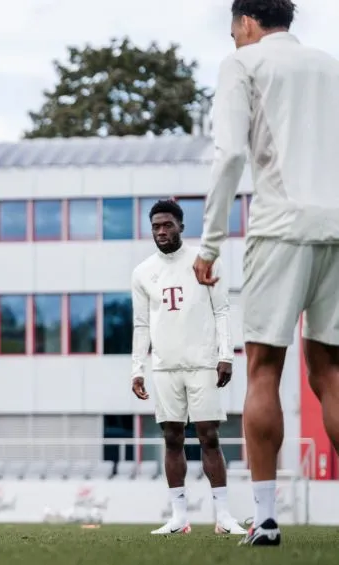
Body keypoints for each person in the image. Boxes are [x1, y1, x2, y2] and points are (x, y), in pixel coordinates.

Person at [194, 0, 339, 547]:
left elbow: (229, 155)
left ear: (247, 24)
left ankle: (266, 518)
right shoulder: (332, 67)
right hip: (338, 229)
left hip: (281, 226)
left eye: (234, 33)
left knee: (263, 368)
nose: (235, 42)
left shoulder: (244, 64)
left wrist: (208, 244)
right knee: (329, 372)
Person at [130, 200, 246, 537]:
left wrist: (227, 355)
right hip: (165, 367)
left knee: (209, 435)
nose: (161, 231)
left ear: (181, 226)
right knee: (172, 438)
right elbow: (140, 325)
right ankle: (179, 517)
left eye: (167, 225)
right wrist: (137, 369)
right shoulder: (142, 272)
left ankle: (223, 517)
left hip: (202, 363)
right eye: (156, 226)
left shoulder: (204, 261)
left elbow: (222, 310)